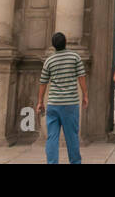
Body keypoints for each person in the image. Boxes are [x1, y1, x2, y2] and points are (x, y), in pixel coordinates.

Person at [37, 32, 87, 164]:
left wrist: (40, 102)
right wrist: (85, 95)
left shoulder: (49, 61)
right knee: (72, 137)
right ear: (65, 42)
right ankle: (75, 162)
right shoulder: (75, 57)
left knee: (52, 137)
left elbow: (43, 82)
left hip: (53, 104)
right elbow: (81, 77)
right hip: (70, 104)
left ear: (53, 45)